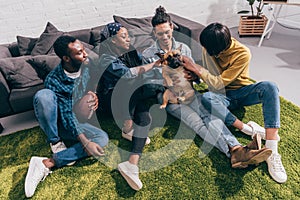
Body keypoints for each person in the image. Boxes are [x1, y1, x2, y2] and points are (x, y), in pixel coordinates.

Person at [142, 6, 271, 169]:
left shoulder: (183, 49)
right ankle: (233, 152)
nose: (165, 37)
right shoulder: (148, 55)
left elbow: (197, 78)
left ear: (172, 28)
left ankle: (237, 148)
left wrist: (194, 76)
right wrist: (164, 81)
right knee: (197, 123)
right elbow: (146, 84)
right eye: (160, 34)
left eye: (167, 32)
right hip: (170, 98)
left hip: (189, 92)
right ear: (154, 33)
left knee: (209, 115)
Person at [181, 22, 287, 183]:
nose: (209, 54)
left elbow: (218, 83)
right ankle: (247, 130)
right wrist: (195, 76)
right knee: (207, 99)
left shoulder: (243, 53)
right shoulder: (209, 48)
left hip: (241, 93)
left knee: (270, 87)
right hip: (220, 97)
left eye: (213, 52)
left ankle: (272, 150)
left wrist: (196, 69)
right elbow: (210, 78)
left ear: (222, 48)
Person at [24, 35, 109, 198]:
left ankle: (46, 163)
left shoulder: (87, 65)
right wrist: (85, 143)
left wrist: (94, 94)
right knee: (44, 96)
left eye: (83, 50)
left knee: (102, 138)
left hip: (78, 117)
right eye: (79, 53)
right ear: (66, 58)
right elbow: (65, 114)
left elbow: (95, 81)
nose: (85, 54)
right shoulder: (55, 80)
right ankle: (55, 142)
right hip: (60, 121)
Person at [96, 22, 161, 190]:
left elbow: (144, 62)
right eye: (123, 36)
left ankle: (131, 163)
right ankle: (126, 124)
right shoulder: (105, 58)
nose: (128, 39)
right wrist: (153, 67)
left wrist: (158, 58)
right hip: (111, 102)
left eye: (128, 35)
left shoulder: (130, 52)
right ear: (112, 41)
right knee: (143, 84)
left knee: (145, 115)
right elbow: (128, 74)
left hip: (131, 97)